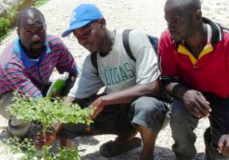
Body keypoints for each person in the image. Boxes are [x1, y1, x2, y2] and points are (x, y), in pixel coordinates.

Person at [36, 4, 168, 160]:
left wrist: (103, 100)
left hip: (151, 111)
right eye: (78, 37)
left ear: (102, 23)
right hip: (120, 112)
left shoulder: (131, 39)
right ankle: (124, 141)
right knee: (69, 119)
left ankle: (147, 155)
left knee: (145, 106)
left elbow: (151, 86)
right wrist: (52, 130)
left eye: (86, 32)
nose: (83, 40)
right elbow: (73, 97)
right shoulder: (93, 61)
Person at [159, 0, 229, 159]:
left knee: (223, 150)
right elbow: (166, 79)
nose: (170, 26)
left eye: (176, 20)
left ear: (197, 16)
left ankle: (212, 144)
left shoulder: (226, 41)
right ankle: (184, 156)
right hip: (189, 94)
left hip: (225, 97)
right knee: (178, 116)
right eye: (167, 20)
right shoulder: (167, 40)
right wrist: (184, 93)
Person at [0, 7, 77, 138]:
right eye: (28, 32)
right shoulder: (10, 63)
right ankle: (14, 133)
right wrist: (56, 123)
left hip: (39, 88)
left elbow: (72, 72)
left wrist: (67, 96)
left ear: (46, 27)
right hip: (8, 96)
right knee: (24, 111)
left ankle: (39, 117)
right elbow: (35, 97)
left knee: (74, 91)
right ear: (18, 33)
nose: (36, 37)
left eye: (40, 30)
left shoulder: (55, 45)